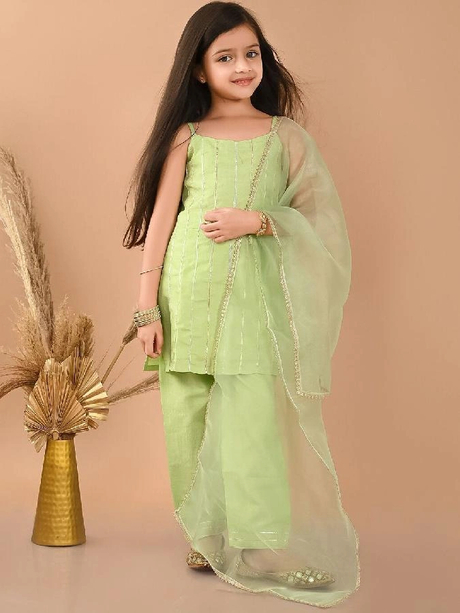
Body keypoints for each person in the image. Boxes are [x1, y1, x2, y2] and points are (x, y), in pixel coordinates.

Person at [123, 1, 360, 607]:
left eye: (251, 53)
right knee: (187, 413)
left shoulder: (286, 137)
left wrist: (257, 220)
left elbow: (323, 222)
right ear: (199, 70)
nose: (242, 67)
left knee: (253, 417)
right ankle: (204, 534)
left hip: (254, 299)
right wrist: (147, 308)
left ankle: (257, 545)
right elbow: (160, 224)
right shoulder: (187, 136)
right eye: (225, 57)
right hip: (187, 293)